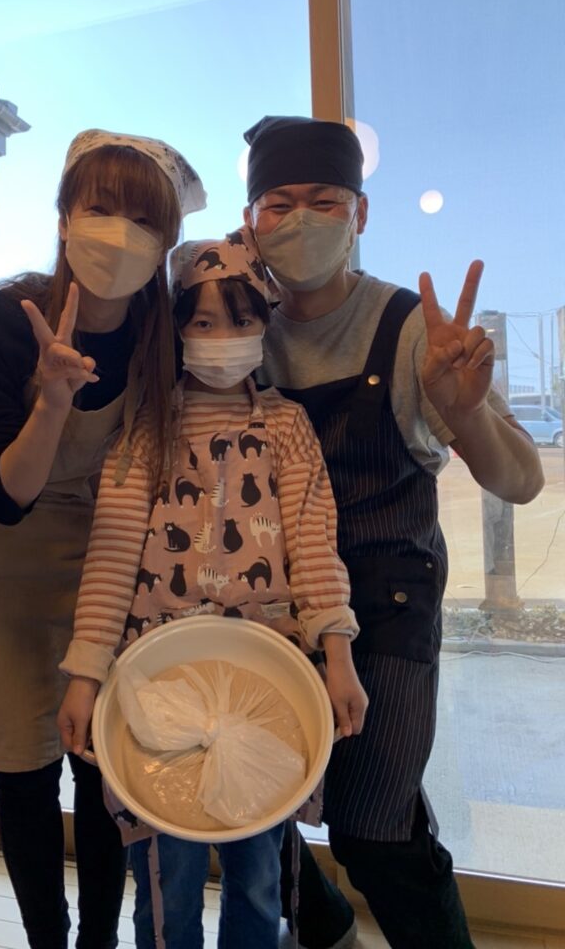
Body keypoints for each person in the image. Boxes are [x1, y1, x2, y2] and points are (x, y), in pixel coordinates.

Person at [240, 114, 545, 949]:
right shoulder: (235, 327)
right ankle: (327, 931)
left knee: (376, 829)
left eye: (325, 201)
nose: (301, 220)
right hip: (267, 602)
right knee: (249, 801)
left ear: (361, 215)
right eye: (278, 203)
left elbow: (521, 480)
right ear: (250, 223)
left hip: (389, 602)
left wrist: (463, 412)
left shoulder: (412, 328)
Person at [56, 228, 369, 949]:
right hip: (158, 683)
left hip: (268, 680)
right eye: (202, 322)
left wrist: (338, 655)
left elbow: (314, 543)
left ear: (264, 323)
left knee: (259, 873)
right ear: (177, 330)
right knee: (168, 874)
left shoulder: (287, 428)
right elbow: (109, 560)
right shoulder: (145, 431)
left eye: (240, 320)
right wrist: (85, 675)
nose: (223, 339)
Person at [0, 127, 206, 949]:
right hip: (3, 560)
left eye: (145, 221)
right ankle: (47, 939)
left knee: (100, 762)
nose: (120, 234)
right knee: (25, 766)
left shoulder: (161, 334)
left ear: (167, 243)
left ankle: (98, 938)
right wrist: (52, 401)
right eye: (101, 209)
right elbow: (5, 495)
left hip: (107, 556)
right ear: (63, 218)